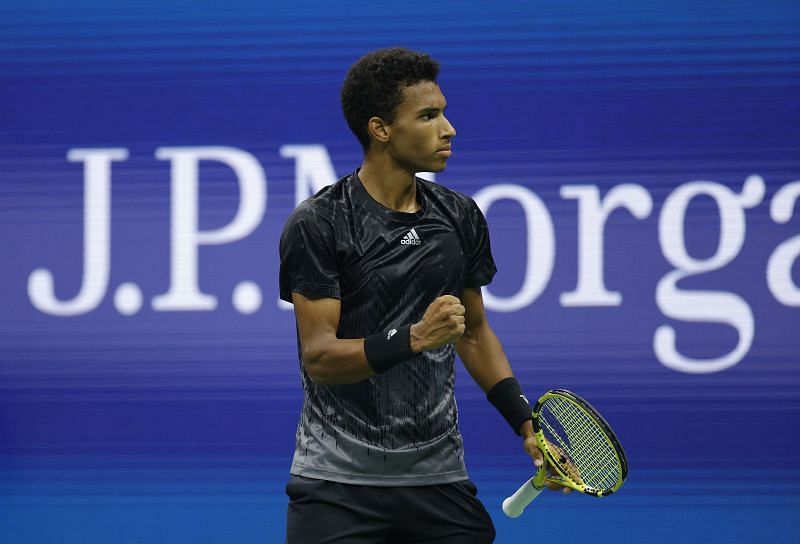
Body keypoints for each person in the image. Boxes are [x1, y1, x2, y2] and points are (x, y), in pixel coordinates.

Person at [279, 47, 564, 544]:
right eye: (428, 116)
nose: (448, 129)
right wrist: (412, 338)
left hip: (438, 480)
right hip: (337, 484)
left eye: (444, 112)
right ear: (381, 129)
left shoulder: (459, 216)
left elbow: (474, 334)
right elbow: (320, 357)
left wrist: (525, 422)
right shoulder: (320, 222)